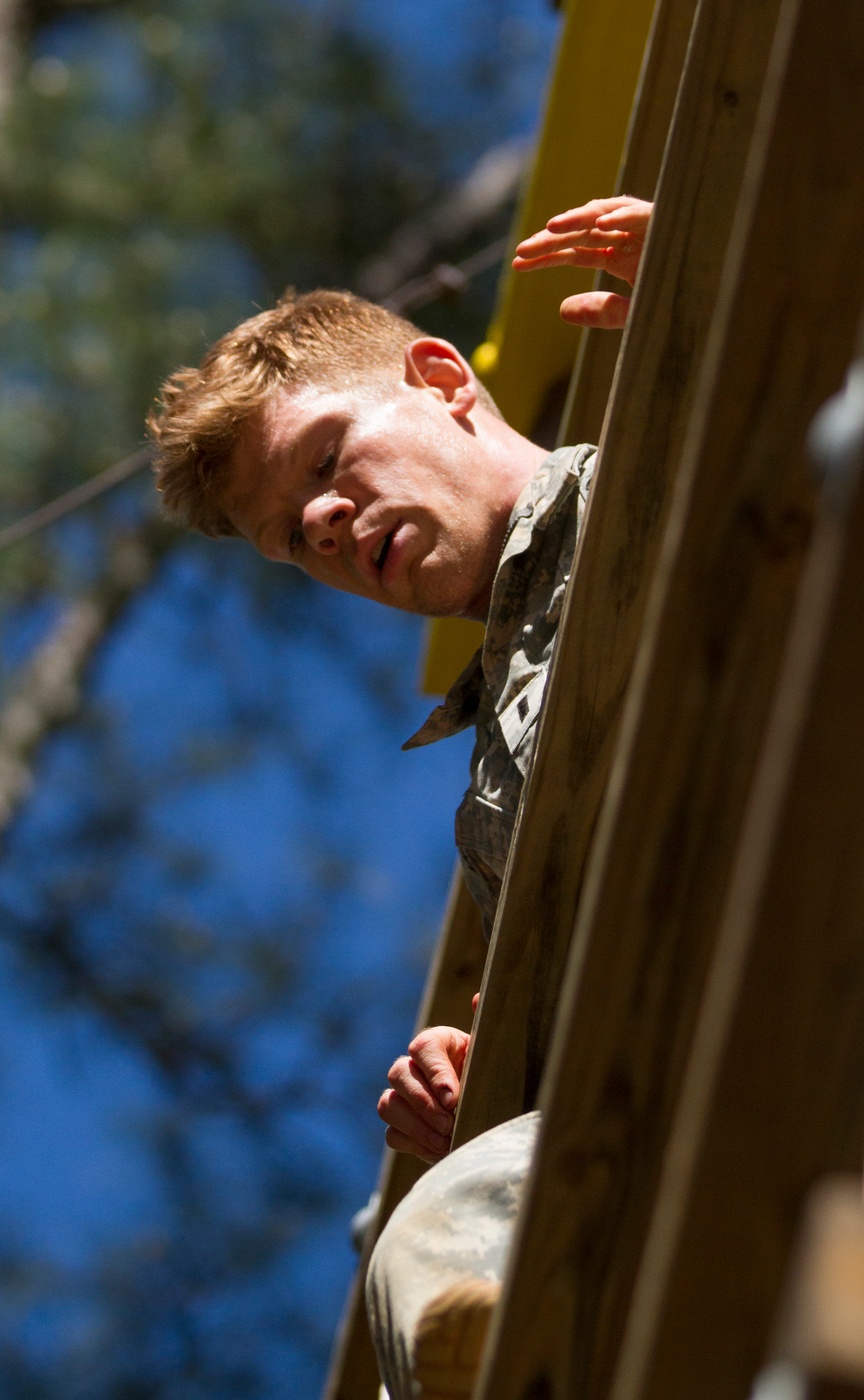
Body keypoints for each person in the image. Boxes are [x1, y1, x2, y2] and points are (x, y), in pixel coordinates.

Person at [147, 195, 653, 1400]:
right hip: (714, 1071)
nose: (322, 520)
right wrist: (490, 1074)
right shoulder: (492, 808)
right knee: (427, 1230)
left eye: (326, 461)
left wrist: (767, 253)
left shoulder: (662, 453)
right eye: (291, 537)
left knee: (447, 1224)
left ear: (441, 376)